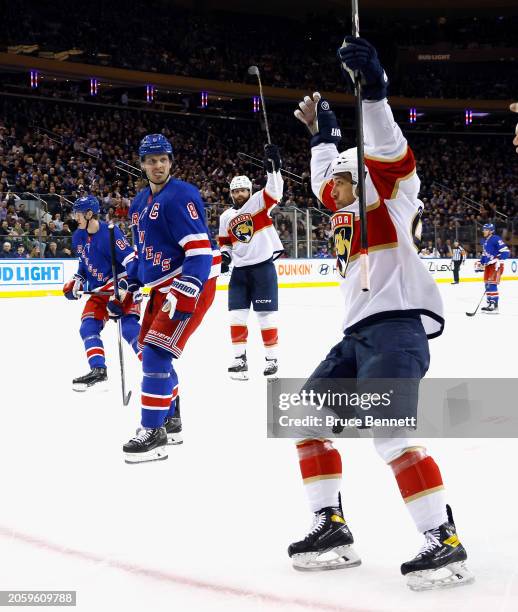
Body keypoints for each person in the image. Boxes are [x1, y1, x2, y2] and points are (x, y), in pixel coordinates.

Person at [287, 37, 473, 590]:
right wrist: (323, 137)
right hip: (357, 337)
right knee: (305, 422)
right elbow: (329, 176)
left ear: (361, 177)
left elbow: (390, 149)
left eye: (341, 181)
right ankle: (331, 526)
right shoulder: (348, 201)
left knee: (391, 434)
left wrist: (374, 95)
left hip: (396, 330)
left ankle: (443, 538)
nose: (331, 192)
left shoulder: (392, 195)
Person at [125, 134, 220, 464]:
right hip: (161, 286)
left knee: (155, 353)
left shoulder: (181, 195)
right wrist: (127, 285)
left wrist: (187, 287)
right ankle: (171, 416)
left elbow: (199, 249)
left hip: (189, 282)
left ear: (170, 161)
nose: (158, 165)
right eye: (151, 160)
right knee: (148, 351)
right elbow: (142, 254)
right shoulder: (138, 204)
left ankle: (153, 430)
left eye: (163, 159)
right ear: (142, 164)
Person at [62, 195, 142, 391]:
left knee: (129, 328)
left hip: (120, 286)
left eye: (78, 213)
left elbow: (132, 261)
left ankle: (153, 366)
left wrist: (124, 290)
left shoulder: (110, 234)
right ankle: (98, 370)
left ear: (89, 214)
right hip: (99, 291)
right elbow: (84, 263)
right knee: (88, 327)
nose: (75, 217)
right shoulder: (78, 236)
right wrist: (78, 281)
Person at [218, 146, 284, 380]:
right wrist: (225, 255)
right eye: (236, 191)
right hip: (240, 272)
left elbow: (275, 192)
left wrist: (274, 170)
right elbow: (225, 241)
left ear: (250, 190)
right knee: (236, 316)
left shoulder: (258, 203)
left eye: (244, 190)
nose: (240, 194)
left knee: (265, 316)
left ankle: (272, 359)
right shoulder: (226, 217)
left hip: (263, 268)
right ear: (231, 193)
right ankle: (239, 360)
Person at [476, 223, 510, 313]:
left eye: (486, 230)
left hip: (496, 266)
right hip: (488, 266)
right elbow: (484, 255)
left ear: (491, 231)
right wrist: (480, 262)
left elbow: (506, 252)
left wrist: (498, 259)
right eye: (484, 229)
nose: (484, 231)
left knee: (492, 284)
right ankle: (489, 304)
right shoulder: (484, 241)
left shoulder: (496, 239)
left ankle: (495, 307)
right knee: (487, 284)